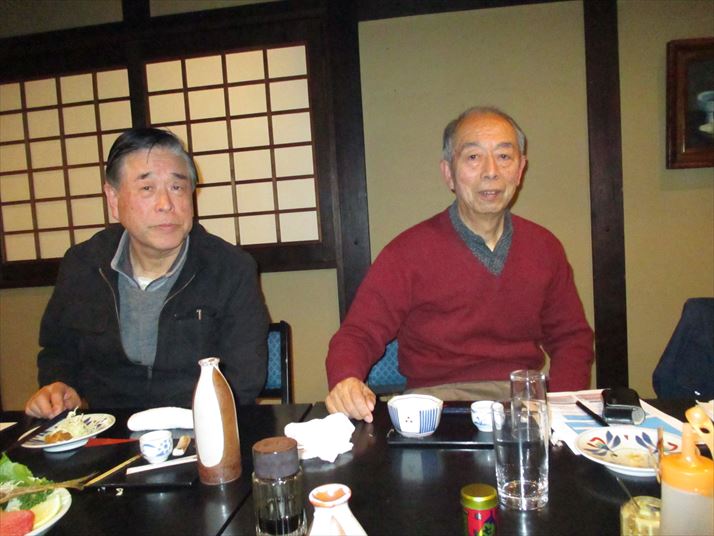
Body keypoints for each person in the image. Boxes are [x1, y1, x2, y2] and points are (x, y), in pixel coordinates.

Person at [325, 106, 594, 422]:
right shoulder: (407, 252)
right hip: (435, 409)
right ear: (448, 173)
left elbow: (572, 338)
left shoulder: (545, 248)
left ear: (520, 169)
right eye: (473, 157)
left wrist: (559, 408)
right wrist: (346, 379)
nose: (491, 171)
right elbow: (359, 332)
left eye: (504, 156)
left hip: (520, 405)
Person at [25, 128, 269, 418]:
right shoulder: (83, 265)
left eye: (177, 187)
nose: (166, 204)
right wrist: (59, 388)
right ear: (113, 199)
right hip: (107, 429)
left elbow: (244, 377)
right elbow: (58, 351)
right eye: (147, 188)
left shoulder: (230, 268)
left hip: (201, 427)